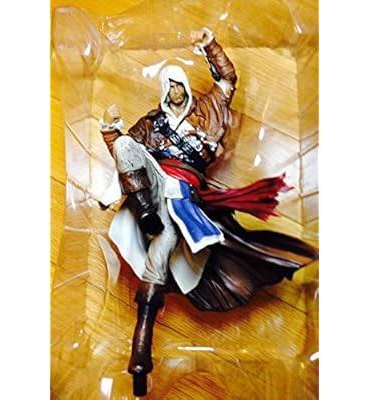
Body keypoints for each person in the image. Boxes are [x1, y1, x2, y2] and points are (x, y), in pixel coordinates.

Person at [99, 28, 318, 396]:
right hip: (152, 185)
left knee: (162, 250)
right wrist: (110, 132)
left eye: (178, 84)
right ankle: (146, 212)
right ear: (163, 90)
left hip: (184, 195)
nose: (174, 90)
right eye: (168, 85)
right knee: (124, 146)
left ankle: (141, 353)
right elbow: (125, 155)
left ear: (185, 87)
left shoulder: (209, 110)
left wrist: (210, 46)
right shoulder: (151, 123)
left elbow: (228, 79)